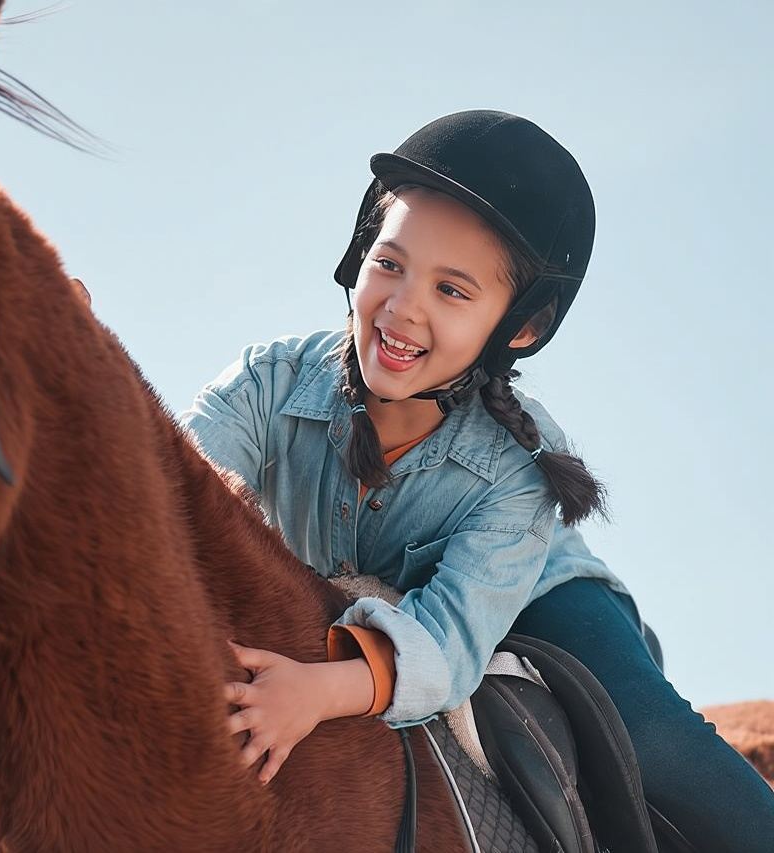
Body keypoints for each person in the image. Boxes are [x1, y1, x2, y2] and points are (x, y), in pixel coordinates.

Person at [180, 109, 774, 850]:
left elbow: (449, 644)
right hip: (354, 596)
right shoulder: (268, 380)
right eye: (389, 263)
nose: (403, 308)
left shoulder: (517, 476)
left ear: (519, 327)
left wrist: (320, 691)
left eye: (452, 291)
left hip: (529, 597)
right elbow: (182, 490)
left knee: (660, 746)